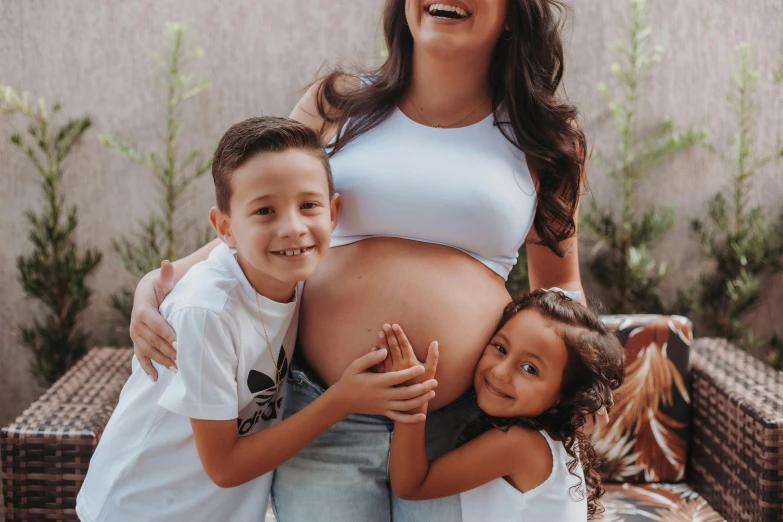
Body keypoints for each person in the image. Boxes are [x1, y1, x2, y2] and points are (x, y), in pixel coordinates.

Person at [129, 1, 602, 519]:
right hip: (325, 408)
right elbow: (255, 224)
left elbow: (558, 291)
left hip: (458, 421)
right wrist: (159, 282)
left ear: (513, 13)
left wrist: (581, 391)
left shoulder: (546, 137)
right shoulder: (336, 104)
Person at [75, 117, 437, 522]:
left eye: (309, 206)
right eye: (265, 211)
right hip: (143, 507)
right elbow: (224, 466)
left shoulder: (295, 276)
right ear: (225, 227)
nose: (293, 228)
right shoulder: (207, 312)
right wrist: (343, 400)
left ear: (333, 213)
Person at [380, 288, 624, 521]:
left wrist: (412, 396)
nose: (500, 372)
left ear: (563, 397)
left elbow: (413, 486)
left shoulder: (521, 445)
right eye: (500, 348)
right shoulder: (553, 438)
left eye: (530, 369)